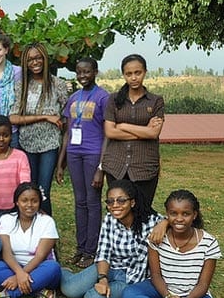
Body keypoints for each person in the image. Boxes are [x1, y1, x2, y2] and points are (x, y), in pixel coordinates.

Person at [121, 190, 221, 298]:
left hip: (193, 294)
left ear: (194, 215)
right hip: (162, 290)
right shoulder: (157, 237)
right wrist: (167, 297)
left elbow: (203, 284)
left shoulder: (208, 243)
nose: (179, 219)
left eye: (186, 214)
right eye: (173, 213)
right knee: (128, 293)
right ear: (167, 215)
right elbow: (155, 275)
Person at [59, 179, 166, 298]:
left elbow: (177, 220)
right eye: (110, 201)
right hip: (109, 268)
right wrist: (102, 278)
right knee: (70, 290)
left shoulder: (152, 222)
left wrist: (165, 223)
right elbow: (104, 252)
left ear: (132, 202)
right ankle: (63, 273)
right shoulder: (109, 220)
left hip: (131, 279)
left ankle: (99, 290)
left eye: (121, 200)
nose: (115, 205)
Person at [56, 57, 110, 268]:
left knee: (92, 201)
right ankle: (81, 248)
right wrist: (61, 164)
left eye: (86, 72)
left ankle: (92, 250)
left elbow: (108, 135)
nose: (82, 76)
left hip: (93, 153)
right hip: (74, 154)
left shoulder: (103, 97)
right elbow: (68, 133)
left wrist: (100, 168)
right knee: (79, 202)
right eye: (79, 72)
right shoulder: (73, 98)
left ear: (95, 72)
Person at [10, 43, 68, 216]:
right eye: (30, 59)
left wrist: (62, 161)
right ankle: (29, 231)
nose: (35, 62)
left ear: (45, 59)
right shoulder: (22, 85)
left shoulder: (58, 84)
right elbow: (13, 118)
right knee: (28, 190)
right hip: (26, 144)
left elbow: (65, 119)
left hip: (49, 145)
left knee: (43, 192)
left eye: (38, 58)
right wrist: (44, 117)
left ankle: (46, 235)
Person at [101, 54, 164, 209]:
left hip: (145, 166)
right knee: (119, 210)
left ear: (145, 72)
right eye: (129, 74)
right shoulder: (114, 99)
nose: (134, 78)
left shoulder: (155, 101)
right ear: (123, 75)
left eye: (138, 73)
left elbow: (153, 134)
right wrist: (144, 130)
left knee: (142, 210)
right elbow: (110, 132)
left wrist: (122, 126)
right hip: (116, 165)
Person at [0, 182, 61, 298]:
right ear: (17, 202)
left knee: (53, 267)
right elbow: (6, 253)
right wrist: (19, 273)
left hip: (40, 268)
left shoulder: (47, 221)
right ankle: (40, 292)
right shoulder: (6, 219)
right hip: (13, 267)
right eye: (24, 200)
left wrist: (18, 277)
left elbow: (40, 256)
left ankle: (5, 295)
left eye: (34, 201)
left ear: (39, 202)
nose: (29, 205)